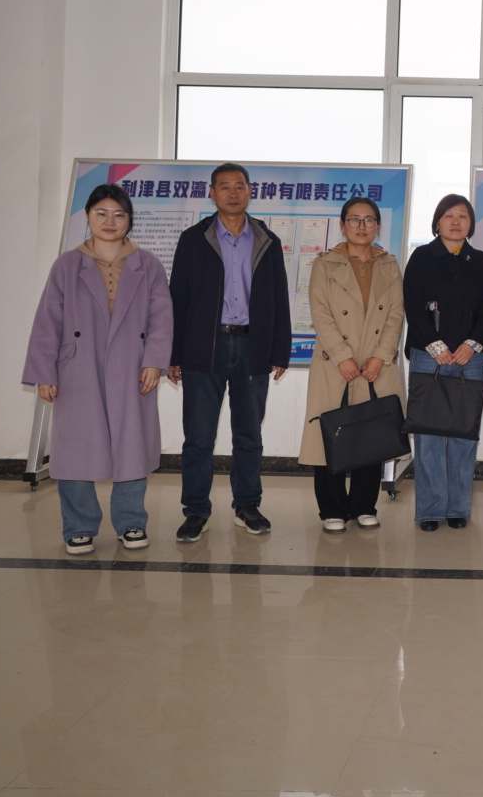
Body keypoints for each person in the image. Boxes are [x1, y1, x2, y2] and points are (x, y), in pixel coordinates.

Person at [23, 185, 172, 554]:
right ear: (88, 216)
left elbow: (161, 318)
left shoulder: (148, 264)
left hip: (133, 366)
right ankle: (79, 526)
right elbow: (48, 321)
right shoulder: (67, 265)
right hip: (78, 367)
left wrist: (154, 361)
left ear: (129, 220)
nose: (110, 221)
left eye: (119, 214)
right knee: (75, 448)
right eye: (101, 213)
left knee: (132, 445)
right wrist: (45, 372)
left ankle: (131, 522)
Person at [168, 163, 292, 542]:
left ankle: (247, 505)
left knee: (249, 434)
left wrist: (280, 350)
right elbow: (178, 299)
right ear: (212, 193)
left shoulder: (267, 240)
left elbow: (279, 298)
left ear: (250, 192)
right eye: (224, 187)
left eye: (240, 186)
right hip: (203, 348)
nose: (233, 193)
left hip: (253, 346)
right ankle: (196, 510)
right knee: (199, 437)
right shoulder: (193, 239)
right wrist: (173, 354)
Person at [298, 196, 405, 532]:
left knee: (370, 435)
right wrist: (342, 356)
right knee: (329, 433)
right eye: (355, 220)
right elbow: (321, 312)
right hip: (334, 363)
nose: (362, 226)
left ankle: (363, 505)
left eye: (369, 220)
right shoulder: (325, 263)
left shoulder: (389, 264)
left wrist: (381, 356)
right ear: (343, 225)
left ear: (378, 226)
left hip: (375, 363)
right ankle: (331, 509)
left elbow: (396, 314)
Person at [402, 193, 483, 532]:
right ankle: (430, 510)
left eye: (463, 215)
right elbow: (413, 306)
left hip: (470, 358)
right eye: (448, 215)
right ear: (437, 222)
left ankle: (457, 507)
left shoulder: (480, 261)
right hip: (429, 356)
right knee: (428, 435)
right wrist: (435, 345)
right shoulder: (422, 257)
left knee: (463, 435)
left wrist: (472, 344)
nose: (456, 221)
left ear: (470, 224)